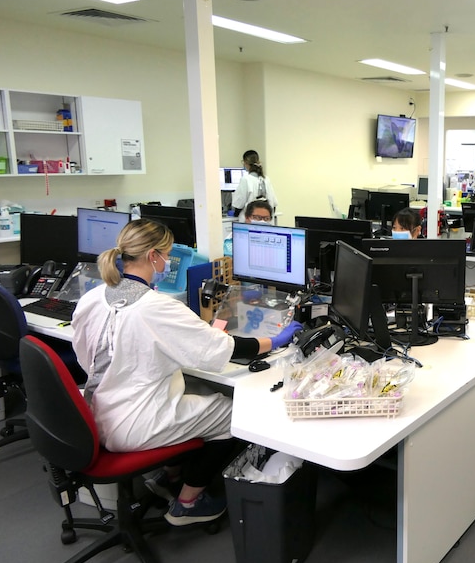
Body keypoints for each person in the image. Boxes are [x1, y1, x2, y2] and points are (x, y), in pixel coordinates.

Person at [71, 218, 302, 525]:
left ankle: (171, 475)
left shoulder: (95, 296)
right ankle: (188, 503)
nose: (169, 261)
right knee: (235, 414)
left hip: (96, 410)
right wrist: (274, 340)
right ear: (154, 256)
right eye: (167, 254)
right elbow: (221, 349)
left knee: (199, 394)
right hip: (134, 422)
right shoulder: (155, 307)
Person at [230, 150, 277, 221]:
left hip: (251, 219)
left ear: (245, 163)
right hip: (266, 220)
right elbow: (273, 204)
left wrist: (234, 213)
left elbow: (239, 204)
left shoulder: (245, 179)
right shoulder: (266, 179)